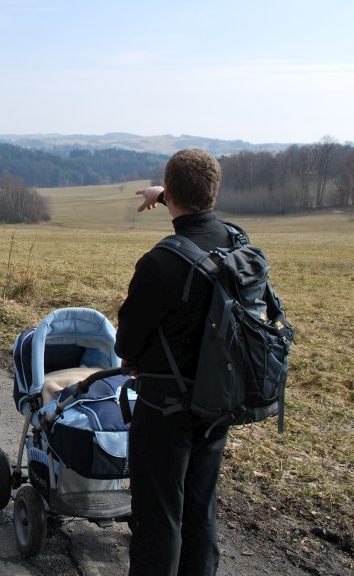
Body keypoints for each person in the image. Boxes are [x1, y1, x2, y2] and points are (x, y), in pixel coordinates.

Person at [116, 148, 245, 576]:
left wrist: (136, 356)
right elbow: (196, 217)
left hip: (165, 410)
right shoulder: (236, 245)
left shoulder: (160, 263)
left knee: (158, 519)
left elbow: (126, 343)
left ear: (170, 193)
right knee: (200, 511)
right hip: (217, 401)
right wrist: (166, 192)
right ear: (214, 192)